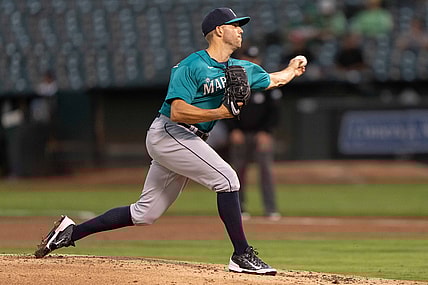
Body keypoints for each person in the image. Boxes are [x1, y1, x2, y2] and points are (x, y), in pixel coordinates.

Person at [34, 7, 306, 276]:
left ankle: (69, 232)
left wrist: (292, 69)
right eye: (235, 25)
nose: (241, 30)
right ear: (219, 31)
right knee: (228, 179)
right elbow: (177, 110)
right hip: (170, 132)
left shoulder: (241, 68)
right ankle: (241, 254)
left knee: (145, 214)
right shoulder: (191, 66)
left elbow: (273, 80)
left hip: (189, 138)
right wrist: (220, 112)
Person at [227, 46, 281, 221]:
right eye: (247, 59)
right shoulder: (232, 81)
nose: (251, 62)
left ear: (259, 61)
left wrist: (266, 132)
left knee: (265, 171)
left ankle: (270, 208)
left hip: (261, 135)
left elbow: (274, 112)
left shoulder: (266, 83)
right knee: (237, 173)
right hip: (240, 134)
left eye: (254, 59)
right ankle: (239, 208)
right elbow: (225, 108)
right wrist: (233, 129)